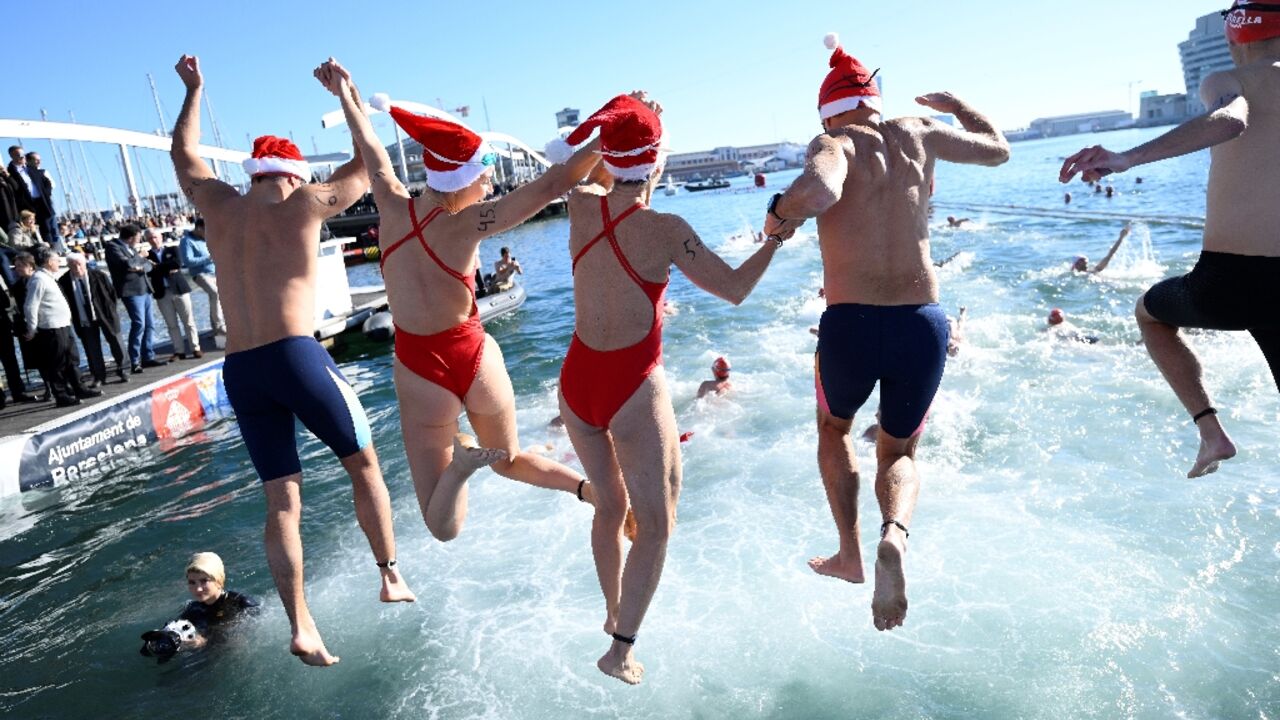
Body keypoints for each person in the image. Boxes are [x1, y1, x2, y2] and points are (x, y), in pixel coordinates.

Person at [170, 54, 415, 668]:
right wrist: (347, 92)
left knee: (282, 500)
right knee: (365, 467)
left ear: (253, 174)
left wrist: (194, 90)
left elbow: (183, 155)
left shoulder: (219, 208)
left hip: (240, 371)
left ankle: (301, 624)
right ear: (292, 173)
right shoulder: (307, 202)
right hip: (296, 356)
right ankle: (388, 575)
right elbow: (370, 163)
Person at [761, 34, 1009, 632]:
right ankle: (893, 535)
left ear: (828, 110)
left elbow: (820, 188)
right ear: (874, 99)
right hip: (921, 321)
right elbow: (998, 149)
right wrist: (957, 104)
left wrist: (778, 215)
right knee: (898, 450)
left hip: (850, 323)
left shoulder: (835, 141)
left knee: (835, 430)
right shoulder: (920, 131)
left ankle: (850, 554)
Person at [319, 58, 608, 547]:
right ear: (464, 180)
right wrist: (607, 139)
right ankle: (588, 490)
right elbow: (555, 183)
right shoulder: (469, 223)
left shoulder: (389, 202)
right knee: (509, 460)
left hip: (418, 368)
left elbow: (370, 148)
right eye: (485, 176)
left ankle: (458, 472)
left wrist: (346, 95)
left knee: (442, 525)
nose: (489, 186)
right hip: (473, 356)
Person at [549, 93, 781, 684]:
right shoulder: (666, 229)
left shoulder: (580, 205)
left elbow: (596, 167)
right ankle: (620, 648)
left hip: (577, 382)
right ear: (657, 164)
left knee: (610, 506)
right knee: (656, 525)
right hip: (631, 384)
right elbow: (732, 289)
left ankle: (611, 612)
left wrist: (617, 138)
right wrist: (777, 239)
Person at [1059, 1, 1280, 478]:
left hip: (1232, 279)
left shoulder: (1228, 79)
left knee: (1150, 313)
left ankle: (1211, 433)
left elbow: (1233, 120)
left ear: (1237, 32)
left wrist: (1127, 159)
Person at [139, 552, 259, 663]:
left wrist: (204, 643)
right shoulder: (193, 609)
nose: (198, 589)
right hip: (205, 657)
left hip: (230, 660)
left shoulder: (241, 603)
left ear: (219, 580)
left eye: (204, 581)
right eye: (192, 582)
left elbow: (250, 637)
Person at [23, 246, 101, 406]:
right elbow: (30, 306)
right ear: (48, 261)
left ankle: (79, 388)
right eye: (56, 259)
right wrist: (32, 328)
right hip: (51, 328)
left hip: (63, 325)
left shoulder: (48, 277)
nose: (59, 261)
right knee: (57, 363)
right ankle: (61, 395)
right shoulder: (38, 279)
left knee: (72, 359)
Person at [58, 253, 129, 387]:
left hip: (104, 313)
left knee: (116, 341)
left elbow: (112, 294)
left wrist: (110, 310)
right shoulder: (64, 281)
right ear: (68, 266)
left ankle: (124, 370)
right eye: (73, 265)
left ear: (84, 264)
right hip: (83, 317)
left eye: (79, 264)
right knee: (92, 348)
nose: (77, 268)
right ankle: (98, 376)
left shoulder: (98, 275)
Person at [104, 224, 163, 373]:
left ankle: (147, 356)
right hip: (131, 291)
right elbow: (128, 264)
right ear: (130, 237)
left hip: (144, 288)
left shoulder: (131, 249)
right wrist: (140, 258)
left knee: (150, 324)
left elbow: (148, 267)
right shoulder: (113, 247)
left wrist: (138, 264)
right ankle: (134, 360)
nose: (138, 241)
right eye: (137, 238)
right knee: (139, 324)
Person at [146, 228, 202, 360]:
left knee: (188, 321)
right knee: (171, 324)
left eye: (155, 237)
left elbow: (177, 263)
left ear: (161, 236)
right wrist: (166, 268)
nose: (153, 240)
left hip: (179, 289)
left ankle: (196, 348)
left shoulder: (172, 249)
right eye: (150, 238)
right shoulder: (147, 256)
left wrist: (157, 267)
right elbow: (148, 272)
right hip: (162, 292)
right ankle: (179, 351)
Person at [179, 218, 226, 335]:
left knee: (215, 298)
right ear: (199, 228)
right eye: (206, 229)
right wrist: (209, 258)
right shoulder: (187, 241)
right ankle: (220, 325)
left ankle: (215, 328)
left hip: (214, 272)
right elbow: (188, 261)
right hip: (200, 274)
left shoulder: (206, 239)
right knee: (215, 293)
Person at [24, 152, 60, 250]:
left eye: (39, 159)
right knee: (45, 227)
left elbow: (51, 184)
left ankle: (57, 247)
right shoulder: (26, 172)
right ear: (29, 161)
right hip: (37, 203)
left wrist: (46, 193)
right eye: (36, 159)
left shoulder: (43, 171)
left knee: (53, 225)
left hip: (47, 200)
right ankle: (49, 247)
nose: (39, 161)